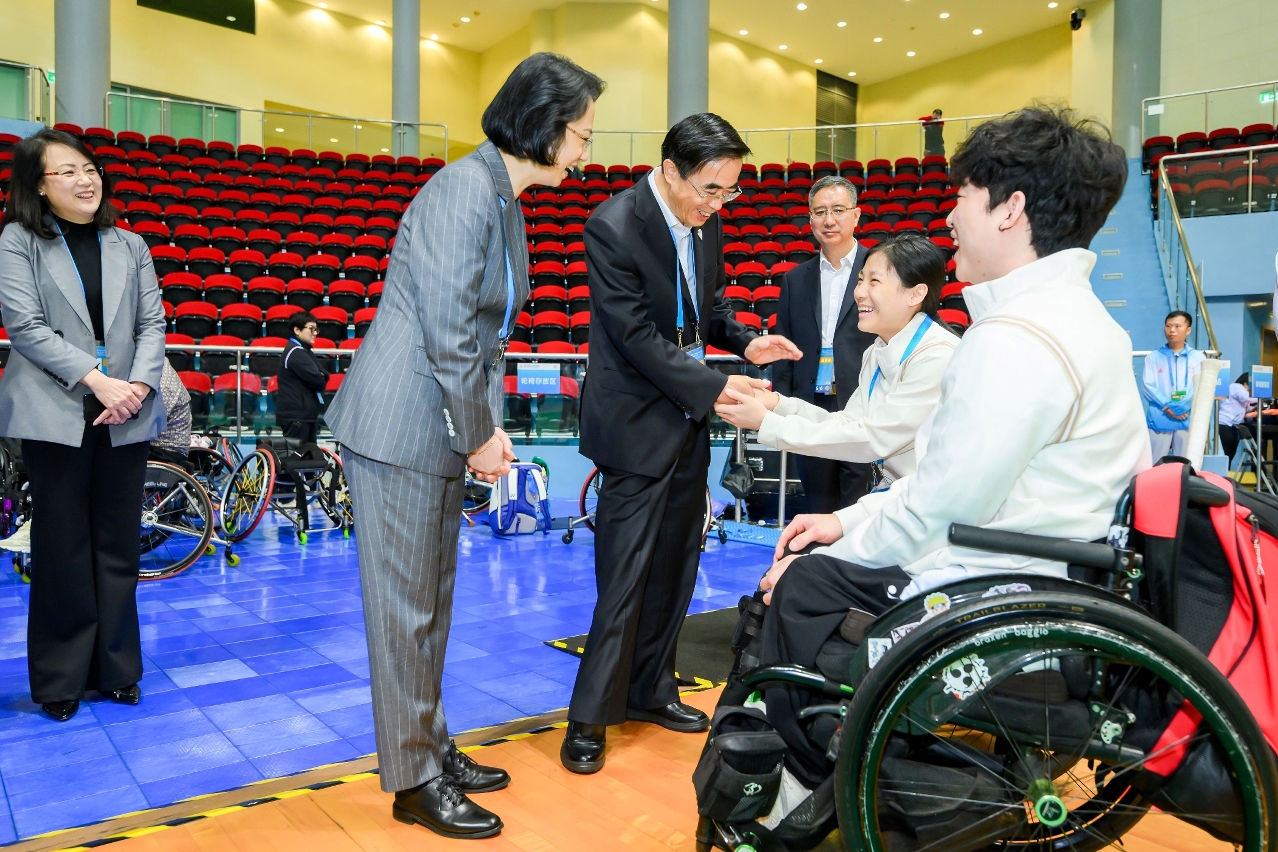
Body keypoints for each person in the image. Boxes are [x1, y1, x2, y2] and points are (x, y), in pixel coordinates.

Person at [746, 106, 1144, 801]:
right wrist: (844, 522)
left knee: (804, 587)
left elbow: (937, 510)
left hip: (1007, 584)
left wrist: (834, 548)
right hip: (1062, 573)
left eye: (962, 195)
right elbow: (936, 481)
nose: (950, 216)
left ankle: (801, 787)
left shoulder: (1015, 338)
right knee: (823, 557)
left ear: (1010, 209)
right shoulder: (1083, 323)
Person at [325, 53, 603, 840]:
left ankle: (429, 745)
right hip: (401, 427)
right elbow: (449, 330)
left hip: (434, 426)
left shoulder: (501, 198)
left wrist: (486, 424)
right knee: (405, 613)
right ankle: (414, 780)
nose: (585, 152)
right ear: (544, 127)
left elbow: (480, 339)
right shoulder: (462, 190)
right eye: (582, 135)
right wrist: (478, 431)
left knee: (431, 607)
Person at [562, 113, 803, 774]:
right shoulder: (613, 225)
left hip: (688, 416)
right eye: (709, 188)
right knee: (624, 576)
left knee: (675, 567)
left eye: (730, 190)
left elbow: (708, 309)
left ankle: (652, 690)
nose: (719, 202)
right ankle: (589, 717)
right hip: (635, 423)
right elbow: (634, 335)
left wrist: (745, 339)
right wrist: (715, 387)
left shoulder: (706, 222)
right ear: (670, 171)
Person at [0, 128, 166, 722]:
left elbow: (152, 324)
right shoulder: (19, 240)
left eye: (89, 168)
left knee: (119, 545)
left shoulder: (131, 244)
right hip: (56, 408)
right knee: (62, 546)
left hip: (127, 409)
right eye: (66, 171)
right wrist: (98, 381)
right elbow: (24, 326)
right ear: (39, 186)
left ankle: (117, 670)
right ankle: (61, 678)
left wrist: (137, 387)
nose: (84, 179)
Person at [715, 234, 959, 492]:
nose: (859, 292)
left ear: (916, 294)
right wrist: (775, 404)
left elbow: (871, 439)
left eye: (874, 281)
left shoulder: (936, 356)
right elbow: (848, 423)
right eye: (860, 280)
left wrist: (766, 422)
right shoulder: (877, 350)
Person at [767, 175, 878, 512]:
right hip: (810, 404)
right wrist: (781, 406)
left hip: (862, 403)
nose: (829, 220)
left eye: (838, 210)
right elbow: (784, 349)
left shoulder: (881, 270)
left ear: (856, 215)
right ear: (810, 219)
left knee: (858, 506)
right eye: (820, 212)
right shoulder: (795, 279)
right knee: (818, 504)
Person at [1143, 310, 1204, 460]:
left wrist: (1184, 405)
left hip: (1186, 416)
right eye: (1168, 326)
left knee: (1185, 464)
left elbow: (1200, 385)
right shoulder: (1153, 357)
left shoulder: (1198, 358)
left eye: (1177, 326)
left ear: (1188, 330)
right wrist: (1169, 406)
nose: (1172, 330)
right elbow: (1148, 386)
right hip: (1161, 415)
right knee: (1156, 463)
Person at [275, 310, 328, 444]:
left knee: (308, 456)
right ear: (297, 330)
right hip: (297, 417)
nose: (315, 333)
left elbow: (325, 375)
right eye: (311, 329)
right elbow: (318, 379)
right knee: (297, 456)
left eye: (316, 329)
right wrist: (320, 376)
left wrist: (320, 376)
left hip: (305, 416)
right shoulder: (295, 352)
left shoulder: (305, 350)